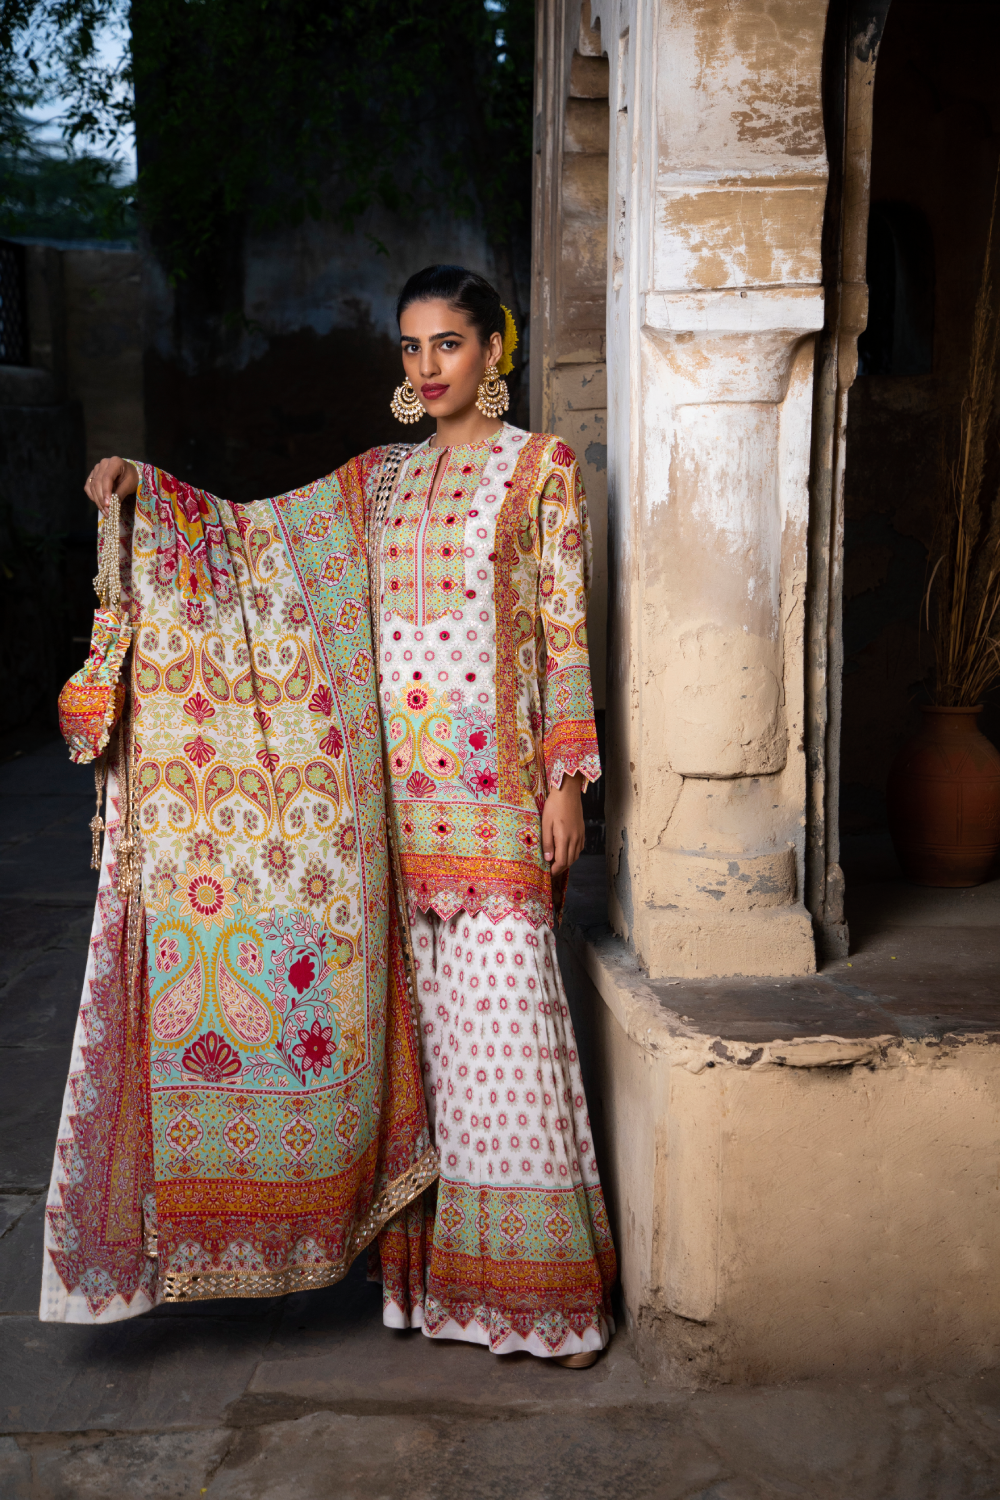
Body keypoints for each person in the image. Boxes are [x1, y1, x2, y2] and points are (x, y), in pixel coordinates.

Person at [79, 264, 616, 1364]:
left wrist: (566, 779)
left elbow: (564, 633)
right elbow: (254, 542)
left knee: (507, 1032)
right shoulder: (376, 484)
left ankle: (533, 1295)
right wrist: (146, 489)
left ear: (493, 352)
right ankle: (432, 1294)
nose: (426, 368)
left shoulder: (541, 471)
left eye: (449, 345)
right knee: (423, 1054)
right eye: (411, 348)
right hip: (382, 811)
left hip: (499, 800)